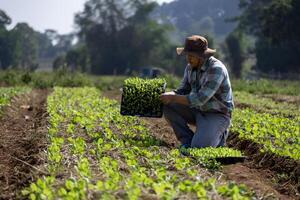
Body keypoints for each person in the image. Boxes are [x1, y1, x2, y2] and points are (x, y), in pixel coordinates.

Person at [160, 35, 234, 149]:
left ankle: (220, 134)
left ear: (202, 56)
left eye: (192, 55)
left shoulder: (216, 69)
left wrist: (173, 97)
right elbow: (182, 90)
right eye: (187, 55)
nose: (188, 59)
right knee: (167, 105)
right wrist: (168, 95)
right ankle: (187, 141)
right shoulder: (190, 67)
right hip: (197, 110)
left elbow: (200, 99)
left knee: (200, 148)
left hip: (216, 114)